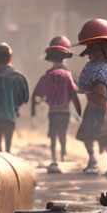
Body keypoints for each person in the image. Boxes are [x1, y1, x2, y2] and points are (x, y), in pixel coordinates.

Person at [74, 18, 107, 177]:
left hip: (98, 105)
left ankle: (105, 163)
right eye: (91, 51)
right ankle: (100, 162)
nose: (92, 54)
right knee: (98, 136)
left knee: (97, 136)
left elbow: (83, 86)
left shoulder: (94, 67)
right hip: (101, 105)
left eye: (95, 51)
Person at [31, 36, 82, 172]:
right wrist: (79, 111)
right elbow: (74, 94)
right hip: (65, 111)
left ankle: (54, 157)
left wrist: (34, 111)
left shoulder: (48, 76)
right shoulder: (67, 76)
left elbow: (38, 94)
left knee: (53, 135)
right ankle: (63, 156)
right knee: (62, 134)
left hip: (53, 111)